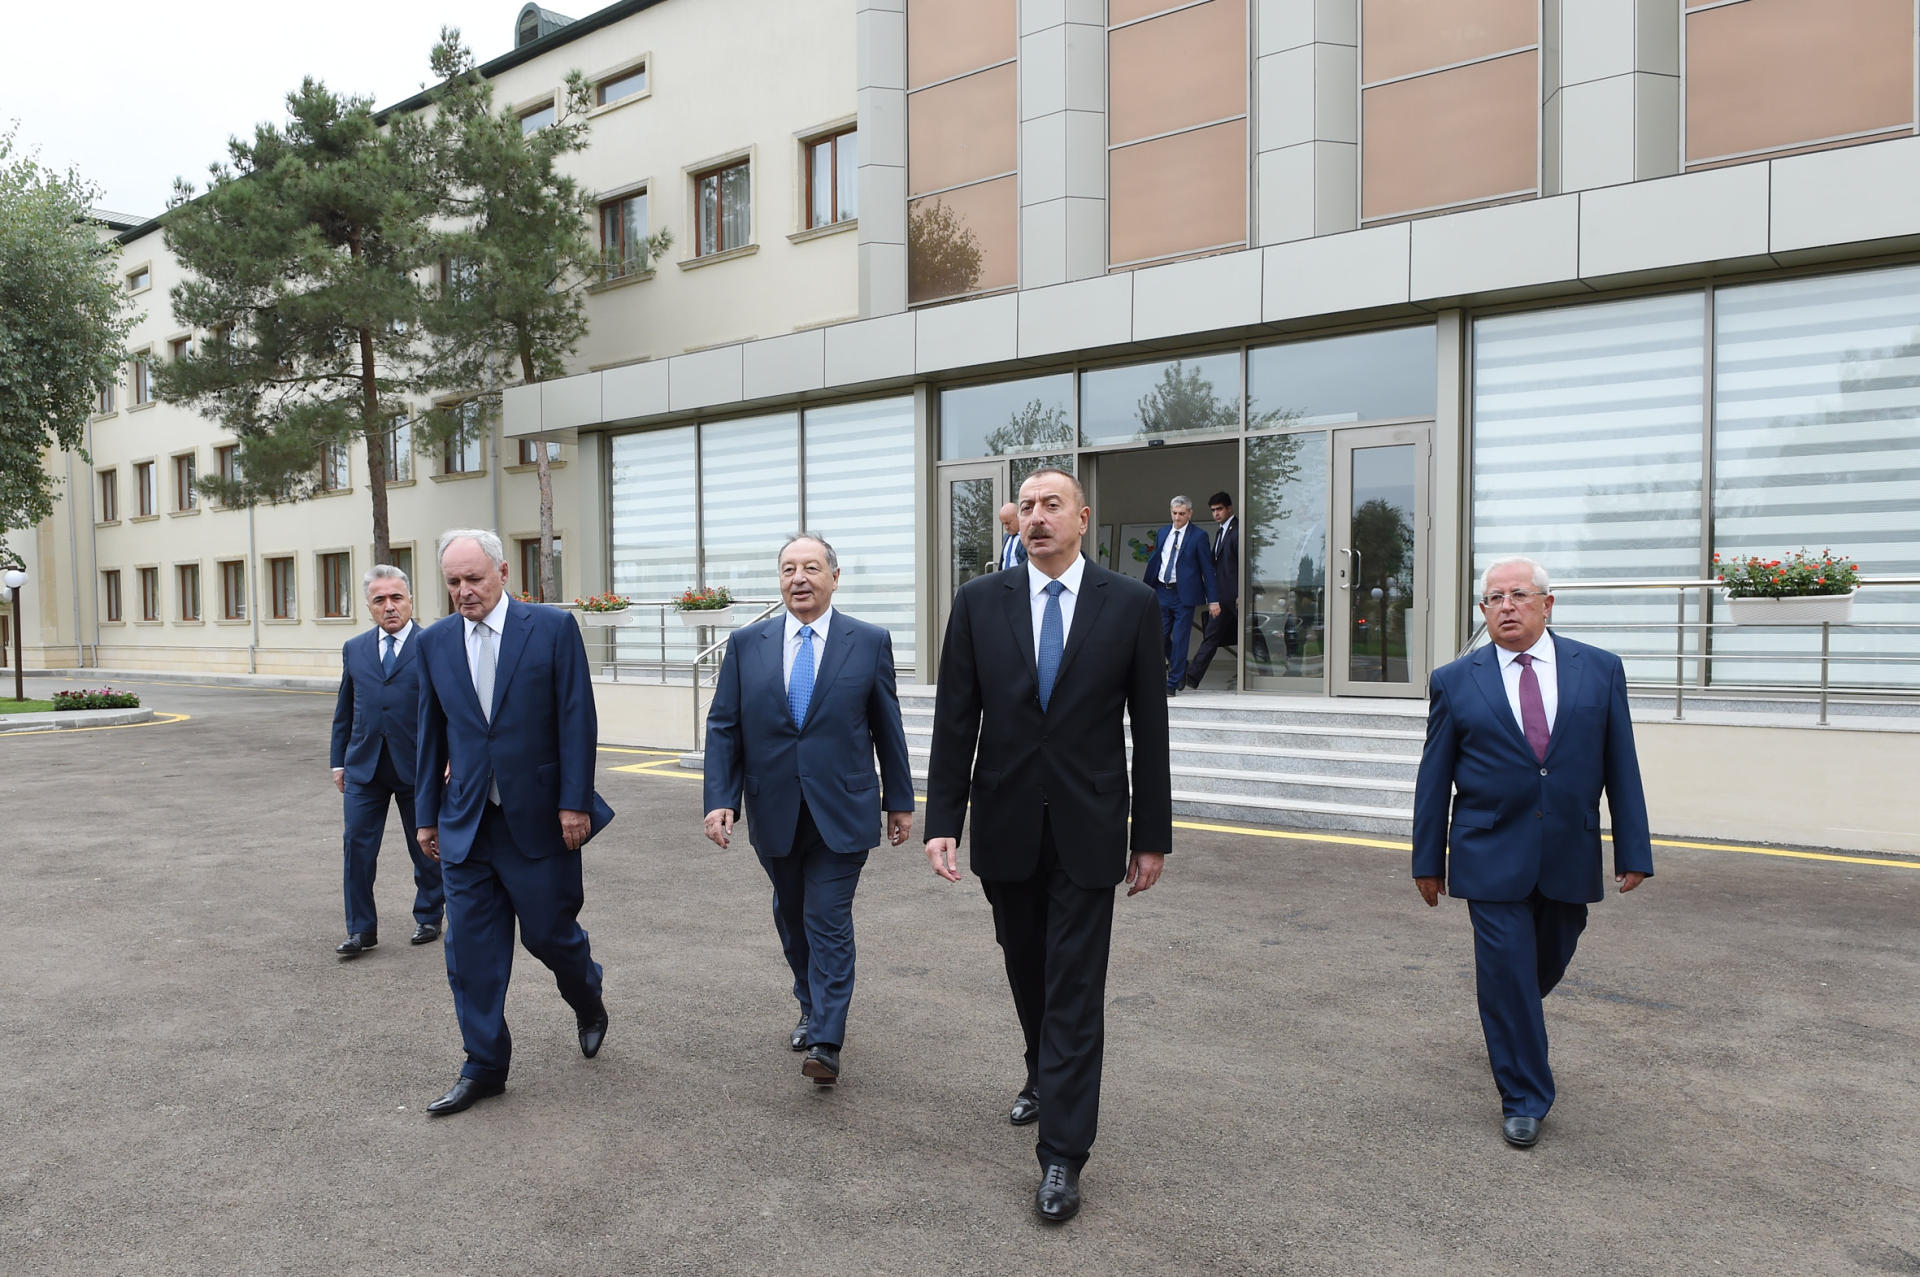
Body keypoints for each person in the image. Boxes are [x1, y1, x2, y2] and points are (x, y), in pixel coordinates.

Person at [924, 467, 1172, 1224]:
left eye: (1050, 505)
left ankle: (1062, 1154)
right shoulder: (977, 603)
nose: (1036, 517)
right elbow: (956, 718)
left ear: (1082, 517)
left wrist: (1151, 835)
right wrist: (943, 819)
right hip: (1005, 824)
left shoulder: (1129, 605)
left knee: (1074, 987)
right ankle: (1042, 1069)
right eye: (1026, 507)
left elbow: (1150, 729)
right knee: (1028, 969)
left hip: (1091, 828)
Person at [1412, 555, 1653, 1149]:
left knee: (1543, 960)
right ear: (1484, 612)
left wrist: (1634, 846)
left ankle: (1509, 1014)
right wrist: (1427, 860)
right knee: (1506, 971)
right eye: (1493, 599)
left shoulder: (1598, 670)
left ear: (1547, 604)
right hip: (1488, 850)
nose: (1505, 607)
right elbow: (1433, 775)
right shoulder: (1455, 680)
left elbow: (1621, 762)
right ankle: (1524, 1096)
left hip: (1568, 850)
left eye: (1518, 595)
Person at [412, 529, 615, 1116]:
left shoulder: (550, 629)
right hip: (467, 821)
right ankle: (484, 1066)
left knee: (549, 935)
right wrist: (427, 815)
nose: (463, 592)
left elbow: (578, 719)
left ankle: (587, 995)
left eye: (473, 579)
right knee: (471, 952)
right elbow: (433, 734)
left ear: (502, 572)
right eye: (453, 582)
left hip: (542, 818)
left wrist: (574, 801)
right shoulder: (437, 643)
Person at [702, 534, 914, 1086]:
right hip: (773, 808)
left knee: (827, 918)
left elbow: (885, 725)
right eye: (789, 569)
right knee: (791, 917)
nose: (799, 578)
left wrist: (900, 801)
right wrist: (721, 800)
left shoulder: (867, 641)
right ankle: (809, 1001)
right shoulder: (747, 644)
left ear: (834, 578)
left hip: (842, 810)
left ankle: (826, 1037)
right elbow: (724, 726)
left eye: (812, 568)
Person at [328, 565, 443, 958]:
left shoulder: (434, 644)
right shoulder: (355, 648)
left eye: (397, 598)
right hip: (365, 766)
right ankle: (361, 930)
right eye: (380, 600)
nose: (390, 606)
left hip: (419, 765)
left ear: (410, 600)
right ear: (369, 606)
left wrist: (451, 759)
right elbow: (346, 708)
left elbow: (451, 709)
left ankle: (429, 914)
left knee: (425, 846)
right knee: (356, 849)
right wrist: (337, 761)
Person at [1142, 496, 1218, 696]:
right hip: (1160, 590)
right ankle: (1179, 666)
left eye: (1182, 514)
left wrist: (1214, 599)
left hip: (1183, 594)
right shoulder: (1163, 532)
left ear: (1190, 513)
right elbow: (1156, 559)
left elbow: (1207, 570)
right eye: (1174, 513)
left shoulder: (1198, 536)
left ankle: (1173, 681)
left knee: (1181, 637)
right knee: (1159, 636)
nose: (1177, 518)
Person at [1183, 491, 1239, 690]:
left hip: (1235, 596)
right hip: (1221, 597)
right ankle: (1191, 678)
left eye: (1220, 509)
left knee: (1250, 635)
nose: (1216, 513)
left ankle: (1265, 672)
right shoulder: (1220, 531)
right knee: (1211, 636)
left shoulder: (1237, 530)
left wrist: (1242, 593)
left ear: (1229, 509)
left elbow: (1243, 564)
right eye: (1213, 510)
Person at [997, 501, 1028, 570]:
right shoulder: (1006, 537)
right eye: (1003, 524)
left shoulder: (1028, 536)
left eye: (1008, 523)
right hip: (1005, 578)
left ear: (1019, 517)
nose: (1006, 527)